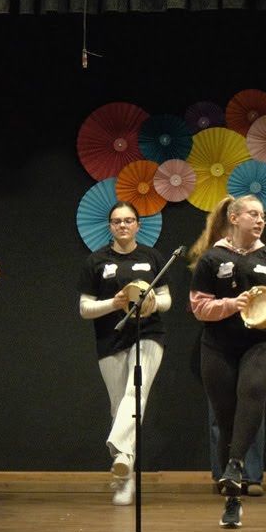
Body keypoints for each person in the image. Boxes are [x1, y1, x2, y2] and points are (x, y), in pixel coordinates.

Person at [189, 195, 266, 528]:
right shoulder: (212, 259)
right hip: (219, 346)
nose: (260, 220)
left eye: (263, 216)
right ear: (234, 218)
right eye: (253, 214)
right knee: (225, 417)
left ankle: (235, 465)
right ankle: (232, 500)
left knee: (252, 390)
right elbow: (198, 307)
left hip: (264, 345)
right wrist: (234, 304)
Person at [78, 201, 172, 506]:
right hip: (110, 338)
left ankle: (119, 452)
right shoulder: (96, 261)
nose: (123, 225)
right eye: (117, 221)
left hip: (148, 334)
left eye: (129, 220)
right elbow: (85, 308)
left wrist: (150, 303)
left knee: (136, 390)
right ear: (110, 226)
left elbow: (167, 298)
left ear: (137, 225)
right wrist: (115, 304)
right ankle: (124, 471)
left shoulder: (152, 257)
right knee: (119, 406)